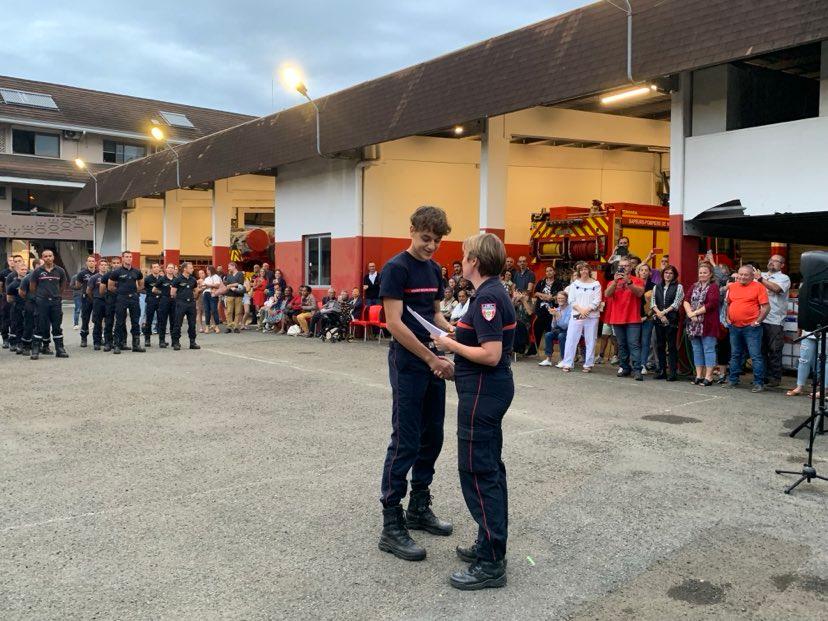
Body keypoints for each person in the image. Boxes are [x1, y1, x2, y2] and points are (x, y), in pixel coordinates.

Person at [432, 232, 514, 590]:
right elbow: (478, 338)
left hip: (484, 390)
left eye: (465, 255)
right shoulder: (488, 294)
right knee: (488, 467)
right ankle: (489, 541)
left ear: (475, 261)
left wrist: (448, 344)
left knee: (477, 470)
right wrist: (452, 335)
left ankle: (491, 562)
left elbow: (491, 354)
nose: (461, 260)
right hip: (483, 390)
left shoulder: (488, 297)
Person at [378, 205, 454, 563]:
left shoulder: (434, 269)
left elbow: (433, 312)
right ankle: (391, 524)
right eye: (426, 239)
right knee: (405, 440)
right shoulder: (396, 269)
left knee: (432, 436)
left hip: (433, 361)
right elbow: (394, 322)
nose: (431, 246)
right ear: (411, 231)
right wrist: (429, 357)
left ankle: (419, 507)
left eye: (437, 241)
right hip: (410, 362)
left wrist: (453, 332)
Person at [724, 265, 769, 392]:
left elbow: (766, 307)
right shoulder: (732, 286)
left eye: (746, 275)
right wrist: (727, 317)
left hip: (751, 327)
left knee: (755, 356)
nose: (742, 277)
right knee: (735, 354)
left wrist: (757, 321)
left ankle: (758, 383)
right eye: (740, 274)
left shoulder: (759, 287)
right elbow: (728, 304)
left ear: (752, 276)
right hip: (734, 326)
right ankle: (733, 380)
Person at [605, 257, 644, 380]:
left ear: (631, 267)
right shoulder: (613, 282)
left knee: (634, 344)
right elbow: (607, 294)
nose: (624, 268)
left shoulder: (637, 280)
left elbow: (639, 293)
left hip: (633, 318)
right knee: (622, 345)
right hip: (617, 318)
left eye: (627, 265)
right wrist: (616, 282)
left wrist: (628, 282)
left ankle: (637, 369)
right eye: (622, 266)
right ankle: (625, 367)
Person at [560, 262, 602, 372]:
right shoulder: (575, 284)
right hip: (577, 314)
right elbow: (571, 300)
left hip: (591, 316)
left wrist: (587, 310)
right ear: (579, 272)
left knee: (590, 339)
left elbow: (597, 300)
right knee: (571, 338)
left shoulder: (596, 284)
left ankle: (588, 364)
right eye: (581, 270)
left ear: (589, 270)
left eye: (586, 269)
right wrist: (581, 310)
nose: (584, 271)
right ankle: (567, 363)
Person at [683, 262, 720, 386]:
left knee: (708, 349)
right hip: (693, 325)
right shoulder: (694, 286)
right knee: (697, 349)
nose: (702, 274)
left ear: (710, 274)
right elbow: (686, 300)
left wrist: (695, 313)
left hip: (708, 324)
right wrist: (689, 313)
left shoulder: (714, 287)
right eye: (700, 272)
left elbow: (712, 304)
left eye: (705, 272)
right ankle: (698, 375)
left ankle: (708, 376)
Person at [758, 254, 791, 388]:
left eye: (775, 261)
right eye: (770, 260)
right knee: (760, 350)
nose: (771, 262)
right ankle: (762, 376)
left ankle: (775, 378)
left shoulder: (784, 278)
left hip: (775, 319)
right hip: (759, 317)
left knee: (774, 349)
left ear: (782, 265)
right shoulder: (761, 274)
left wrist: (760, 279)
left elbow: (776, 289)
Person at [29, 249, 69, 359]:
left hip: (55, 302)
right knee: (39, 325)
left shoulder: (60, 270)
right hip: (42, 302)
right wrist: (40, 297)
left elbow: (63, 285)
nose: (48, 258)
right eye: (45, 256)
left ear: (53, 257)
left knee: (57, 326)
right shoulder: (37, 272)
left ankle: (60, 349)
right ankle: (36, 349)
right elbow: (32, 287)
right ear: (42, 258)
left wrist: (57, 296)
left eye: (50, 256)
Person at [108, 251, 145, 354]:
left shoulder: (137, 271)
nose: (129, 258)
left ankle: (136, 345)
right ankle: (117, 345)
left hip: (133, 298)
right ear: (122, 259)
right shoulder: (116, 272)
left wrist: (133, 292)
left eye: (130, 257)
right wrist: (120, 292)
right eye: (127, 257)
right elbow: (110, 286)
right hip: (121, 299)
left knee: (135, 322)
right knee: (119, 322)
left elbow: (141, 285)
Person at [652, 265, 683, 381]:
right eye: (666, 273)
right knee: (660, 345)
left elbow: (676, 304)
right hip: (659, 319)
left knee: (671, 346)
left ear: (674, 275)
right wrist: (659, 314)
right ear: (663, 274)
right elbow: (653, 303)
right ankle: (662, 371)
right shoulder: (657, 287)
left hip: (672, 319)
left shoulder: (678, 287)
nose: (668, 275)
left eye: (670, 273)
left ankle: (673, 372)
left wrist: (663, 313)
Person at [532, 266, 565, 351]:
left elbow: (559, 295)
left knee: (549, 332)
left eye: (550, 271)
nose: (548, 272)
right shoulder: (541, 282)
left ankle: (549, 351)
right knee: (536, 329)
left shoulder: (558, 283)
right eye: (547, 271)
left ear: (554, 272)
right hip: (540, 311)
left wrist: (552, 298)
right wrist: (543, 295)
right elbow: (535, 292)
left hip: (551, 311)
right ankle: (533, 350)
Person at [787, 330, 828, 397]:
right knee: (803, 360)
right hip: (808, 333)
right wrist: (799, 329)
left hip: (826, 334)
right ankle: (799, 387)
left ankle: (824, 390)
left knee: (826, 361)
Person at [171, 262, 201, 351]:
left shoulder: (193, 279)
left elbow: (196, 291)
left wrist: (193, 298)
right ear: (185, 269)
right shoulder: (177, 279)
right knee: (178, 324)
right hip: (181, 303)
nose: (192, 269)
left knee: (192, 324)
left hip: (191, 304)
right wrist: (180, 299)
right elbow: (172, 293)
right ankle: (176, 342)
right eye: (191, 268)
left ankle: (192, 342)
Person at [539, 291, 571, 368]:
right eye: (559, 298)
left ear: (566, 299)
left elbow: (565, 326)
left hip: (568, 332)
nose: (560, 300)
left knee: (561, 336)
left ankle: (564, 359)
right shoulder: (557, 309)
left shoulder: (570, 309)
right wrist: (554, 316)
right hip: (559, 330)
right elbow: (553, 326)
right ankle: (548, 359)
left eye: (562, 298)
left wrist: (557, 315)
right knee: (548, 334)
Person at [636, 263, 656, 374]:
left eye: (646, 270)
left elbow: (655, 304)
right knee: (634, 342)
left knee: (645, 341)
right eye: (641, 270)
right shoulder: (633, 283)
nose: (643, 272)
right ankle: (635, 363)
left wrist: (646, 316)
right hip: (634, 317)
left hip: (648, 318)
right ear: (638, 272)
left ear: (650, 273)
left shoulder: (654, 286)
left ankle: (643, 364)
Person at [101, 256, 122, 352]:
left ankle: (120, 342)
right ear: (111, 264)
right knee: (109, 322)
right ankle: (107, 343)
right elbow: (102, 290)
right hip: (110, 301)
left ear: (120, 263)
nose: (116, 265)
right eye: (114, 263)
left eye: (118, 263)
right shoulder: (106, 275)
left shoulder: (124, 275)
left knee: (121, 323)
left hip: (122, 301)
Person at [87, 260, 108, 351]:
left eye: (105, 265)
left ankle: (108, 341)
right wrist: (95, 299)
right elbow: (88, 291)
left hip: (108, 302)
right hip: (98, 301)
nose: (103, 266)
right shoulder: (94, 277)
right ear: (98, 266)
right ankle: (97, 342)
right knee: (97, 323)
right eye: (102, 265)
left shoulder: (110, 276)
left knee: (108, 323)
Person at [142, 263, 164, 347]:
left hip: (161, 301)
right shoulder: (147, 279)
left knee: (161, 321)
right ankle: (147, 340)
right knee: (149, 321)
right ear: (151, 269)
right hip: (151, 301)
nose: (156, 268)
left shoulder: (163, 278)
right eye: (154, 267)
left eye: (157, 267)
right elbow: (143, 289)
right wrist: (149, 294)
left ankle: (162, 340)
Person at [223, 262, 245, 332]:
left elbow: (240, 283)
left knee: (238, 312)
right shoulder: (229, 275)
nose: (228, 268)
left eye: (229, 266)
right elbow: (227, 284)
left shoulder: (240, 274)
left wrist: (230, 286)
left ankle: (236, 327)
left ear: (234, 266)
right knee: (229, 311)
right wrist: (230, 286)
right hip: (230, 295)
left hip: (238, 295)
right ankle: (229, 327)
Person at [202, 266, 222, 334]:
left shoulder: (216, 276)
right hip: (205, 294)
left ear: (211, 270)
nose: (206, 271)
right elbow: (203, 286)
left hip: (213, 294)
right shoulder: (206, 278)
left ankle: (216, 326)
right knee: (206, 310)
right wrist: (204, 286)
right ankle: (207, 326)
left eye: (207, 270)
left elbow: (217, 285)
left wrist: (207, 285)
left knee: (214, 310)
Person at [0, 255, 14, 348]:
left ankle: (15, 339)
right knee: (5, 319)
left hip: (17, 299)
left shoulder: (22, 272)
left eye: (14, 260)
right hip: (6, 299)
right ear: (8, 262)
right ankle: (5, 339)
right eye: (11, 260)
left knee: (16, 320)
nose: (12, 262)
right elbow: (0, 285)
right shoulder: (3, 273)